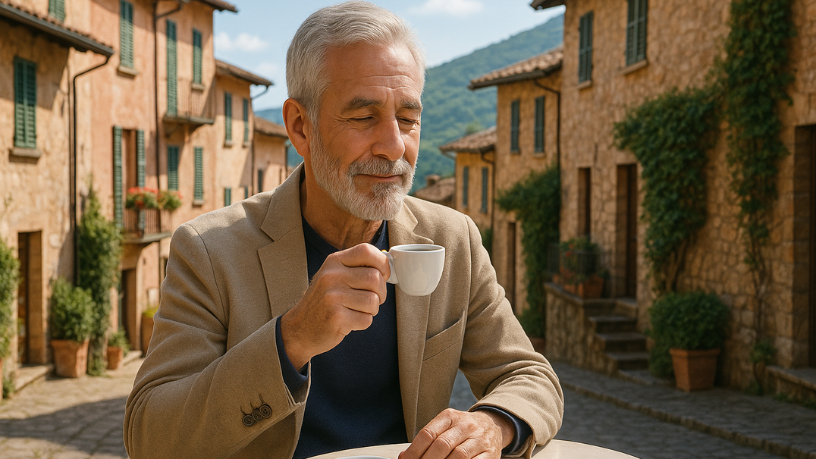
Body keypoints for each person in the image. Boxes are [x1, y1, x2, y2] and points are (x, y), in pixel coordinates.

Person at [123, 2, 563, 458]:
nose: (395, 145)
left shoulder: (453, 239)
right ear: (300, 127)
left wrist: (493, 424)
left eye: (408, 119)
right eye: (363, 117)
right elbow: (149, 437)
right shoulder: (210, 251)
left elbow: (530, 377)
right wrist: (290, 339)